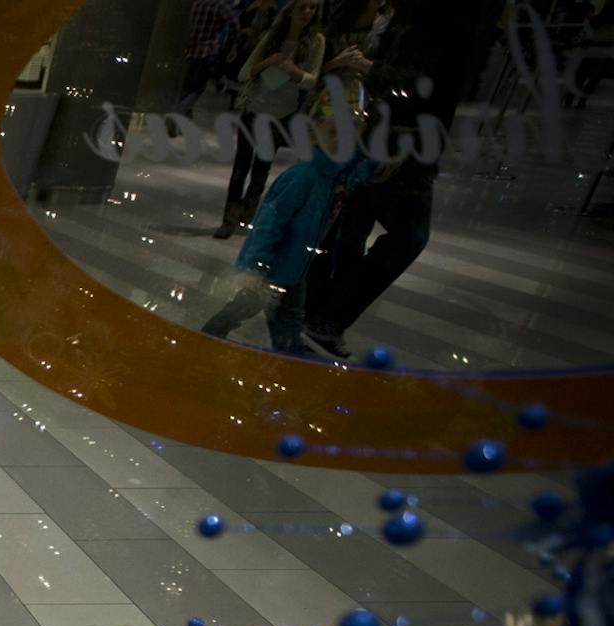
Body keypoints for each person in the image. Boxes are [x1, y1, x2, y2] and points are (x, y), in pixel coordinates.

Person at [302, 0, 506, 358]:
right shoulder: (431, 16)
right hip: (400, 140)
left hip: (391, 135)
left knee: (353, 225)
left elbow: (421, 79)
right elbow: (422, 81)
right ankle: (324, 316)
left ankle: (319, 312)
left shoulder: (417, 17)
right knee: (400, 234)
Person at [200, 102, 371, 353]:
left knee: (288, 318)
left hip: (296, 267)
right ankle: (209, 338)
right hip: (273, 267)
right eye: (334, 133)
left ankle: (288, 351)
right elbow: (269, 223)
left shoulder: (338, 175)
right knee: (242, 309)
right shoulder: (304, 176)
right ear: (313, 138)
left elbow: (364, 171)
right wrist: (256, 266)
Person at [212, 0, 326, 239]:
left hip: (281, 115)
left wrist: (295, 72)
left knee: (261, 169)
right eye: (303, 7)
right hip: (255, 109)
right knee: (241, 167)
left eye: (313, 8)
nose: (307, 12)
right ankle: (229, 220)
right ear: (291, 10)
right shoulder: (274, 36)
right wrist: (269, 62)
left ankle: (246, 216)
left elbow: (313, 79)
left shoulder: (316, 42)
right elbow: (245, 72)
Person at [177, 0, 241, 116]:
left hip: (191, 51)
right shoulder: (220, 4)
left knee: (187, 86)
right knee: (198, 88)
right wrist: (233, 45)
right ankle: (180, 111)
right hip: (207, 51)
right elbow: (234, 24)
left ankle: (183, 115)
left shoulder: (197, 3)